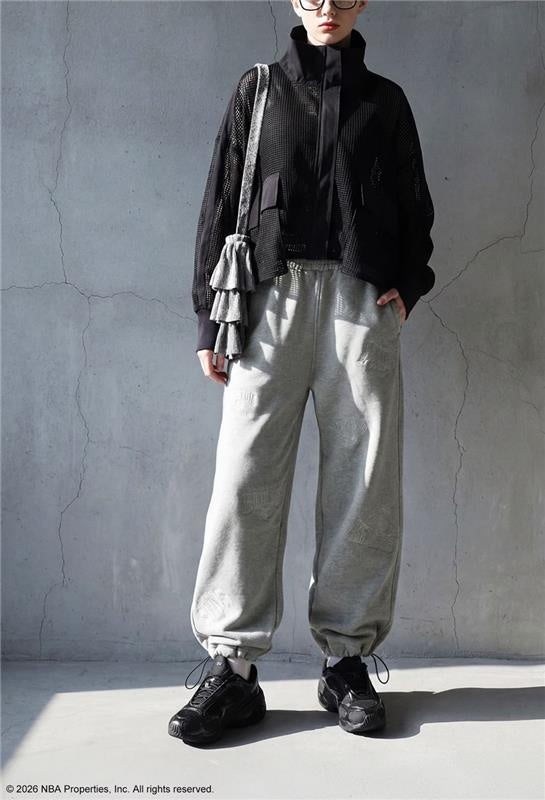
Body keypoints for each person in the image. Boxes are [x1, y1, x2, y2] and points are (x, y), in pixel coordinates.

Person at [169, 0, 435, 746]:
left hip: (359, 302)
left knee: (364, 481)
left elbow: (415, 202)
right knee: (244, 476)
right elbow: (220, 198)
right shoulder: (258, 90)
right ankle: (232, 668)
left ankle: (344, 663)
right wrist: (210, 318)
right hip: (269, 300)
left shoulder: (386, 102)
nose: (327, 7)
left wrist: (406, 284)